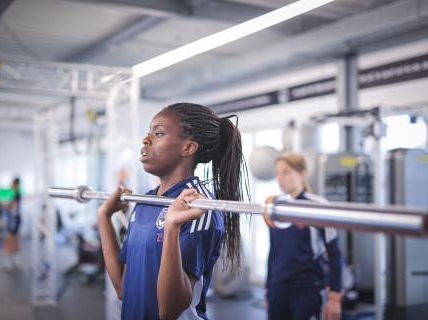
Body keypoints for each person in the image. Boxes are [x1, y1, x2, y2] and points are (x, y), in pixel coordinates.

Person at [97, 103, 249, 320]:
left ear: (187, 148)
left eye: (158, 133)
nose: (146, 139)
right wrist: (104, 217)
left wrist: (171, 226)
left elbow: (169, 310)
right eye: (149, 132)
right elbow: (123, 287)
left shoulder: (199, 209)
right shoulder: (146, 201)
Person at [263, 152, 342, 320]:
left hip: (307, 288)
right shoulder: (274, 207)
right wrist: (268, 288)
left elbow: (335, 253)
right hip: (278, 288)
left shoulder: (317, 206)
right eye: (277, 173)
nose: (280, 178)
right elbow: (273, 252)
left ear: (302, 173)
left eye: (286, 172)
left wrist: (335, 296)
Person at [0, 177, 22, 271]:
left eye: (13, 184)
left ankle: (9, 263)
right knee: (14, 239)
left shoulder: (16, 194)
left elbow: (11, 206)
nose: (12, 186)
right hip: (15, 219)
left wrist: (4, 204)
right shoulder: (16, 194)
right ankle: (14, 262)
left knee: (9, 240)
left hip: (13, 219)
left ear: (15, 184)